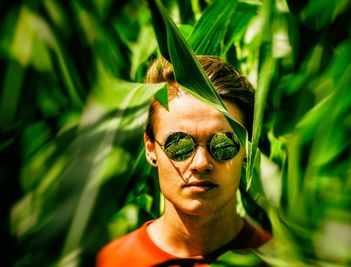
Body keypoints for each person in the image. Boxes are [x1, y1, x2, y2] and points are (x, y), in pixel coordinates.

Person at [96, 56, 272, 266]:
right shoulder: (113, 261)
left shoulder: (279, 260)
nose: (201, 163)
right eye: (179, 145)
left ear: (247, 150)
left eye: (223, 144)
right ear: (151, 148)